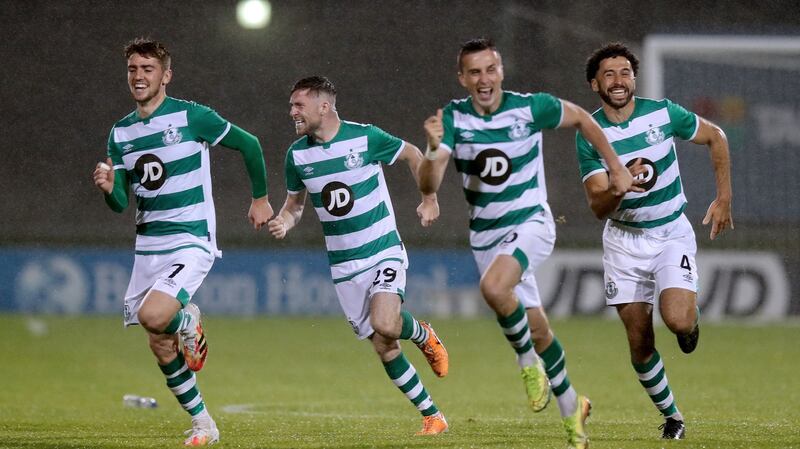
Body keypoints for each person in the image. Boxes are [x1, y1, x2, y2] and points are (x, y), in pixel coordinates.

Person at [419, 37, 637, 449]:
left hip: (532, 222)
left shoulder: (530, 107)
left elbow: (584, 121)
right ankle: (573, 407)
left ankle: (525, 363)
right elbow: (429, 181)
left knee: (494, 289)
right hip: (486, 235)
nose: (484, 79)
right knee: (538, 331)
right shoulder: (453, 118)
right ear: (463, 78)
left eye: (491, 69)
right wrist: (432, 151)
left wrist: (616, 166)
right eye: (475, 72)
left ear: (501, 71)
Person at [92, 37, 273, 447]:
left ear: (166, 76)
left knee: (155, 317)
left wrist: (260, 198)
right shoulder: (121, 133)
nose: (139, 77)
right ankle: (203, 423)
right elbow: (121, 204)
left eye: (148, 69)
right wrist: (108, 187)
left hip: (191, 238)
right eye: (133, 70)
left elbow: (250, 144)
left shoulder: (193, 117)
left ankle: (187, 319)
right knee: (159, 342)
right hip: (149, 246)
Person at [268, 76, 449, 436]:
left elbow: (413, 154)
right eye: (291, 106)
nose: (292, 112)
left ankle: (422, 333)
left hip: (382, 250)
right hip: (344, 265)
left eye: (298, 105)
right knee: (384, 346)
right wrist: (284, 222)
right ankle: (433, 416)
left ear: (324, 106)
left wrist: (429, 198)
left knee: (386, 323)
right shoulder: (297, 155)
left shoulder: (365, 137)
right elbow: (295, 206)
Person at [577, 42, 733, 440]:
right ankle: (672, 416)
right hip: (623, 242)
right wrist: (617, 187)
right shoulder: (590, 134)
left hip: (669, 232)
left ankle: (690, 324)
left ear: (634, 78)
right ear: (595, 83)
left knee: (677, 318)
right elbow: (598, 205)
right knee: (639, 340)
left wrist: (723, 197)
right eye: (609, 74)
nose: (618, 80)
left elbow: (716, 136)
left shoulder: (662, 113)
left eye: (625, 72)